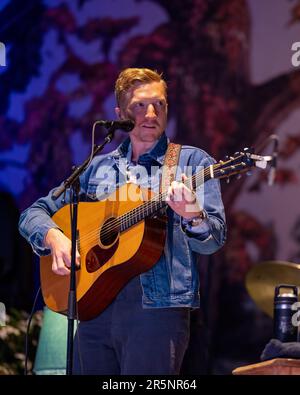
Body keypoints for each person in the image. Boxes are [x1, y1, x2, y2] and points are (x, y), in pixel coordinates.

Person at [19, 67, 226, 375]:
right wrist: (54, 237)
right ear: (121, 113)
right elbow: (33, 213)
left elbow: (214, 241)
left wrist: (193, 215)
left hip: (157, 311)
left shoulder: (190, 163)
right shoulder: (95, 167)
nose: (151, 112)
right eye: (140, 105)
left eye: (160, 104)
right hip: (94, 308)